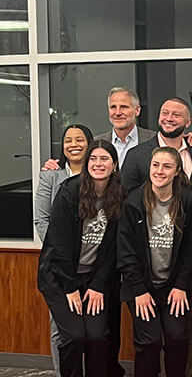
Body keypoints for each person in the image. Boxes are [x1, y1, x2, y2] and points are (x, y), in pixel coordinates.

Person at [37, 140, 123, 377]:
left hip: (95, 280)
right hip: (60, 278)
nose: (98, 164)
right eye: (93, 159)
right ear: (86, 164)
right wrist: (70, 287)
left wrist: (97, 286)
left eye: (104, 159)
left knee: (97, 337)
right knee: (74, 336)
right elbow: (59, 245)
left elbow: (114, 249)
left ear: (114, 165)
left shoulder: (119, 196)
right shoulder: (69, 191)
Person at [117, 147, 192, 377]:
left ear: (177, 171)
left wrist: (181, 285)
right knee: (149, 341)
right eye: (155, 165)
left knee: (177, 338)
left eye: (167, 166)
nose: (159, 171)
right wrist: (139, 291)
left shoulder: (188, 202)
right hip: (141, 287)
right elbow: (126, 253)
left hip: (175, 287)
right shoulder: (133, 202)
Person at [34, 124, 94, 377]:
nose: (73, 144)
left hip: (92, 265)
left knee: (93, 330)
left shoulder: (99, 174)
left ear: (90, 144)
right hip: (58, 266)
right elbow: (41, 219)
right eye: (68, 140)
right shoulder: (50, 176)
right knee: (61, 328)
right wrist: (63, 253)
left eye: (79, 139)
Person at [121, 96, 192, 195]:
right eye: (165, 113)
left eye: (176, 115)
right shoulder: (136, 155)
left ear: (188, 123)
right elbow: (127, 194)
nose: (169, 118)